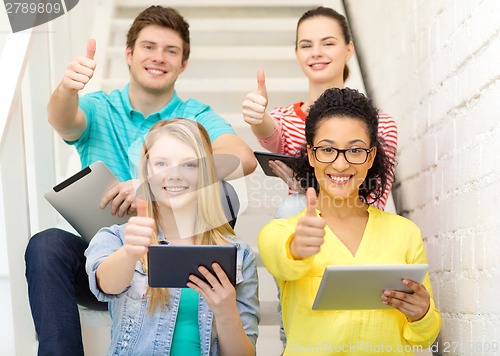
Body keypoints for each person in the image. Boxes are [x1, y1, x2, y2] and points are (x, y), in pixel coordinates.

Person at [25, 6, 256, 355]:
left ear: (183, 64)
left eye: (171, 51)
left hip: (180, 252)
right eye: (149, 47)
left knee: (222, 191)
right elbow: (63, 119)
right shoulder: (100, 107)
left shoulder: (197, 117)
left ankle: (208, 275)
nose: (159, 57)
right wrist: (66, 89)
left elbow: (245, 158)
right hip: (112, 264)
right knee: (46, 245)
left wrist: (156, 181)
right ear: (129, 54)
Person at [258, 88, 441, 356]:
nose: (341, 165)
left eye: (355, 150)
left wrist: (422, 314)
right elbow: (281, 260)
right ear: (310, 155)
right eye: (327, 150)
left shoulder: (405, 232)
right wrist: (297, 247)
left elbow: (423, 338)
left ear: (370, 157)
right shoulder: (281, 231)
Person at [85, 118, 259, 355]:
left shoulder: (239, 254)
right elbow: (106, 285)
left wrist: (226, 312)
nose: (174, 175)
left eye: (189, 165)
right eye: (161, 164)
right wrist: (129, 253)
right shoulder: (116, 239)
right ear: (146, 171)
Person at [242, 6, 397, 218]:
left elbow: (374, 204)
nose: (316, 52)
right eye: (306, 45)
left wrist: (308, 191)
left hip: (359, 232)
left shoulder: (381, 123)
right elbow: (270, 132)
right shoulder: (285, 120)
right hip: (306, 227)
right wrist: (258, 118)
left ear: (349, 49)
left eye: (328, 43)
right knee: (294, 207)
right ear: (297, 54)